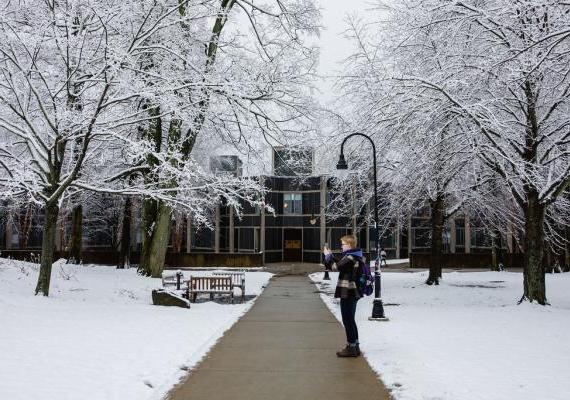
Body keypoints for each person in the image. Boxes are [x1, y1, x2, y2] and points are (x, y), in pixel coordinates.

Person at [323, 235, 364, 357]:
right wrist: (331, 257)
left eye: (343, 244)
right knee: (350, 319)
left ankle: (351, 347)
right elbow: (341, 265)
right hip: (352, 292)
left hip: (348, 292)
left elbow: (335, 267)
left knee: (347, 320)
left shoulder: (351, 257)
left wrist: (327, 256)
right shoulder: (354, 256)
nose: (341, 246)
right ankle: (355, 345)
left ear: (350, 245)